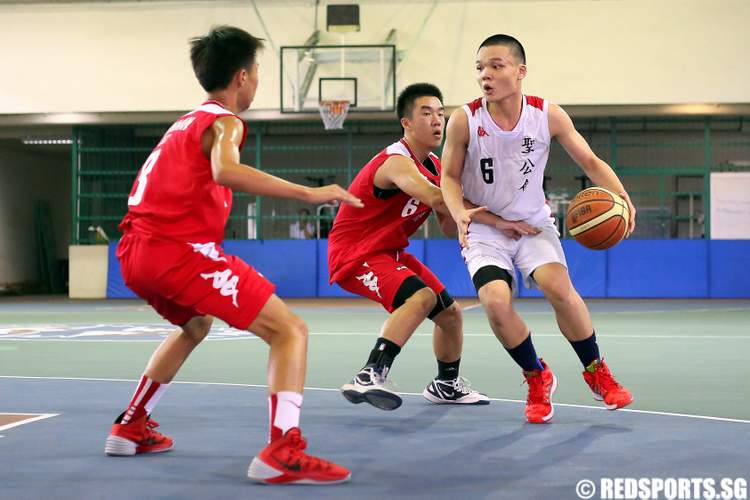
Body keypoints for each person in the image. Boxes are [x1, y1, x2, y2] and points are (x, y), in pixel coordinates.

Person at [104, 26, 361, 485]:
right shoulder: (225, 121)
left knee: (195, 324)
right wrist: (309, 192)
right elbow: (226, 170)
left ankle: (131, 423)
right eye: (258, 70)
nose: (258, 78)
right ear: (242, 76)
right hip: (177, 250)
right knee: (290, 331)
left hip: (135, 251)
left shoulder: (183, 123)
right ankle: (282, 450)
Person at [440, 34, 635, 424]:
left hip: (531, 225)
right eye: (480, 68)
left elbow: (592, 163)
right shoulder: (465, 119)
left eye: (496, 65)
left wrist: (623, 197)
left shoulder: (547, 115)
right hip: (484, 227)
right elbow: (447, 175)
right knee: (495, 301)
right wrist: (459, 211)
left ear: (520, 71)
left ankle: (596, 370)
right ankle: (536, 375)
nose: (486, 75)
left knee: (559, 289)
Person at [328, 83, 489, 411]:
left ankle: (446, 384)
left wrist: (465, 221)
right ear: (407, 123)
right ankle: (370, 373)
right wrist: (496, 207)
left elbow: (446, 220)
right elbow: (433, 197)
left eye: (441, 114)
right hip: (355, 253)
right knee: (421, 297)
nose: (437, 121)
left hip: (389, 252)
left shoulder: (434, 167)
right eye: (427, 113)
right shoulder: (396, 161)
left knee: (450, 314)